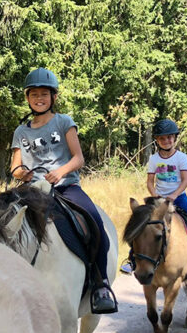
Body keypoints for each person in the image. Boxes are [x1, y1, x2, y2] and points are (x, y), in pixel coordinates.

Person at [10, 68, 118, 314]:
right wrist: (22, 173)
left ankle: (101, 284)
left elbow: (78, 158)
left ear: (53, 97)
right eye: (34, 94)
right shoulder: (21, 131)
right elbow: (15, 167)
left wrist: (60, 172)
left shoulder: (64, 122)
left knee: (93, 220)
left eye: (44, 94)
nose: (39, 98)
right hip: (32, 189)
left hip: (65, 186)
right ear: (27, 98)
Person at [125, 119, 187, 274]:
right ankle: (132, 260)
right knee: (139, 223)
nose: (166, 141)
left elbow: (185, 181)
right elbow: (150, 182)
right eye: (162, 138)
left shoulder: (181, 157)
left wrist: (173, 195)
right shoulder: (154, 159)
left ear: (175, 138)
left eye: (170, 137)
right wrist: (156, 195)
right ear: (157, 140)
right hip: (158, 200)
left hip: (179, 198)